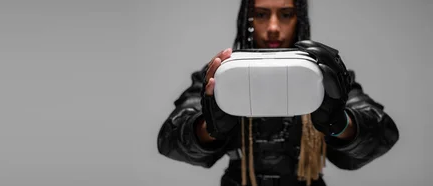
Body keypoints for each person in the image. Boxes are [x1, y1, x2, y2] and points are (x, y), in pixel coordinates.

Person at [156, 0, 400, 186]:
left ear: (299, 19)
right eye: (261, 15)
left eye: (286, 14)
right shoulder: (222, 75)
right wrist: (207, 128)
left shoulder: (325, 76)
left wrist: (341, 122)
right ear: (247, 19)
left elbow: (383, 135)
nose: (273, 28)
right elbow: (169, 141)